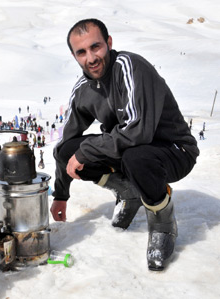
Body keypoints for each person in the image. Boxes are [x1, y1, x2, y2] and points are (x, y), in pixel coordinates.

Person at [50, 19, 199, 271]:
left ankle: (163, 223)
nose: (91, 58)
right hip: (132, 150)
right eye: (82, 52)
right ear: (75, 57)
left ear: (108, 43)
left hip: (174, 151)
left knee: (136, 156)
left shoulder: (130, 67)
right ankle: (128, 192)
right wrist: (61, 194)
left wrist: (87, 150)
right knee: (67, 151)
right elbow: (65, 143)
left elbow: (138, 131)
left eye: (95, 47)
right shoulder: (83, 89)